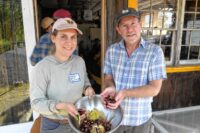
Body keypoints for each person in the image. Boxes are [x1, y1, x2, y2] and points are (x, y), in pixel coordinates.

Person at [101, 8, 167, 133]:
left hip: (139, 120)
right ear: (118, 30)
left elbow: (154, 89)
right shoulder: (112, 50)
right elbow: (108, 78)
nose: (130, 30)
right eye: (124, 25)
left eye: (133, 24)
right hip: (114, 118)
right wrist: (110, 88)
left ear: (140, 25)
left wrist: (124, 93)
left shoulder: (154, 52)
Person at [30, 18, 95, 133]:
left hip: (77, 121)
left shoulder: (79, 61)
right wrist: (60, 105)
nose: (69, 42)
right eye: (63, 36)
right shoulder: (43, 67)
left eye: (73, 37)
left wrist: (87, 88)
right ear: (53, 38)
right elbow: (36, 103)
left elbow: (84, 81)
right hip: (53, 125)